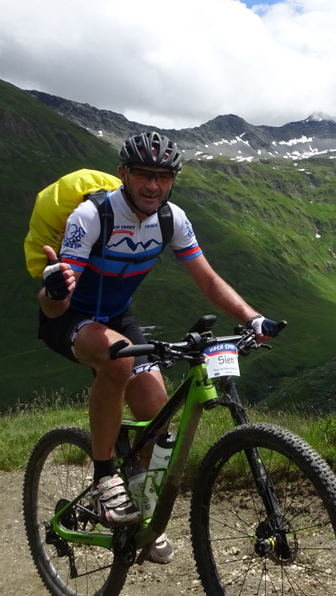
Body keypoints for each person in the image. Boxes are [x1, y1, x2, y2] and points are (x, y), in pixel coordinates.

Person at [37, 131, 280, 564]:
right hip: (72, 318)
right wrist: (54, 289)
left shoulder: (172, 220)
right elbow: (54, 308)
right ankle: (103, 478)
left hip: (118, 318)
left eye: (163, 177)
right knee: (115, 362)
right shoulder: (91, 217)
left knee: (157, 409)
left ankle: (138, 505)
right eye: (145, 175)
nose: (153, 186)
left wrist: (251, 318)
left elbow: (207, 278)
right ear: (123, 174)